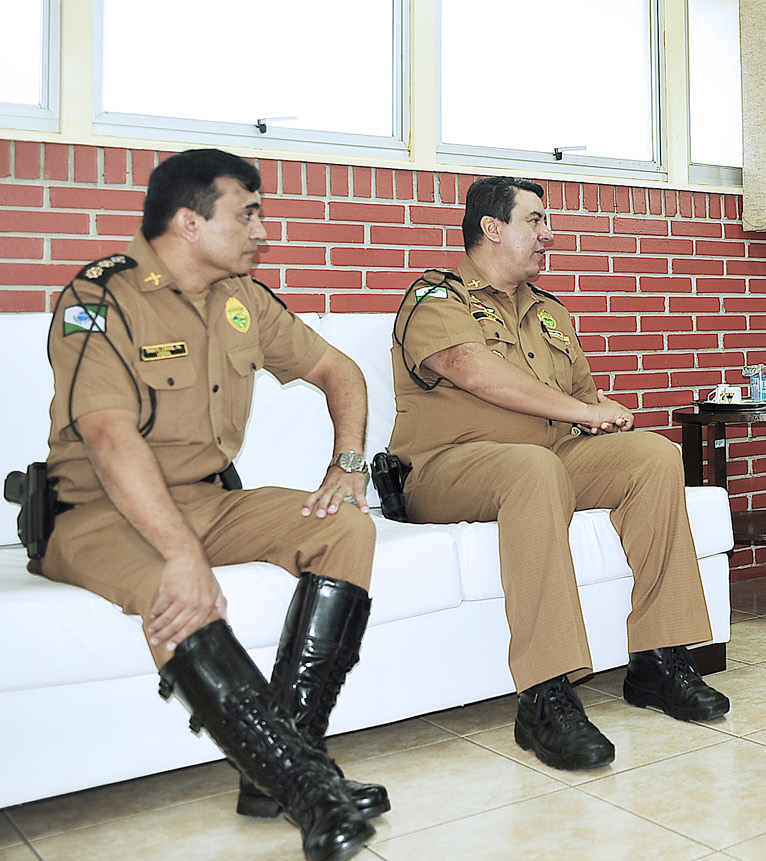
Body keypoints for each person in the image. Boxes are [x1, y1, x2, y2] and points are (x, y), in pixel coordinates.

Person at [37, 148, 387, 861]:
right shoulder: (99, 298)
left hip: (206, 497)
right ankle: (307, 787)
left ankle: (278, 771)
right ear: (189, 222)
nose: (262, 230)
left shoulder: (242, 298)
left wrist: (347, 463)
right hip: (96, 510)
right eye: (247, 214)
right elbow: (107, 437)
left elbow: (338, 369)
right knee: (176, 588)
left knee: (345, 527)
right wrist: (182, 554)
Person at [389, 176, 728, 771]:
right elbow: (478, 373)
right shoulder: (436, 299)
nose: (548, 234)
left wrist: (600, 417)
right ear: (492, 228)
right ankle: (545, 695)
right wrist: (584, 413)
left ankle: (658, 659)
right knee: (533, 469)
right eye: (536, 220)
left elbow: (581, 401)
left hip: (547, 455)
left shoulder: (548, 313)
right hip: (446, 467)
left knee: (653, 456)